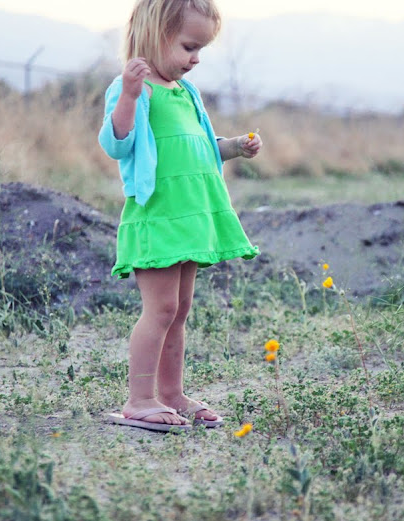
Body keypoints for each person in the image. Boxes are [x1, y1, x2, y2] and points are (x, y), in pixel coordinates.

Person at [98, 0, 261, 432]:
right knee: (161, 309)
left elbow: (202, 146)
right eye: (189, 47)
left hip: (190, 217)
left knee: (180, 309)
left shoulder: (187, 93)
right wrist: (129, 96)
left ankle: (171, 395)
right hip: (158, 216)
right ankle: (139, 400)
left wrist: (234, 147)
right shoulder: (134, 89)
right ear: (155, 34)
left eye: (201, 49)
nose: (196, 59)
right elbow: (116, 143)